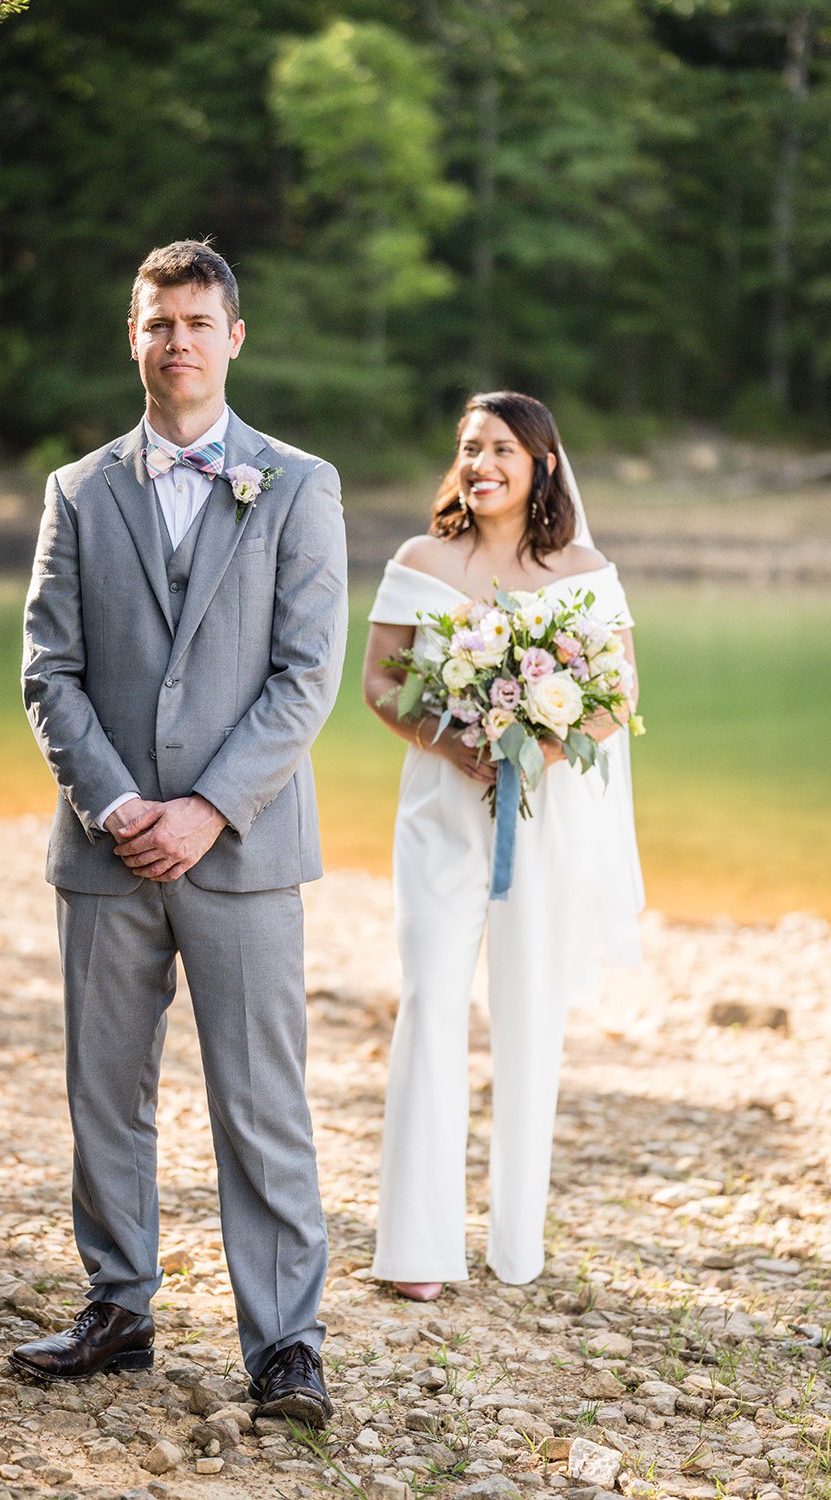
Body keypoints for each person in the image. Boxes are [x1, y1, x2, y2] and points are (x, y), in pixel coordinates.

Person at [15, 239, 347, 1425]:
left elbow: (307, 677)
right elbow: (49, 672)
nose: (179, 343)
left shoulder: (298, 484)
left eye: (199, 323)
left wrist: (207, 809)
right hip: (104, 850)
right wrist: (112, 805)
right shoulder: (77, 490)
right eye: (160, 323)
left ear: (234, 338)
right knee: (105, 1090)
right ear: (134, 335)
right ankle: (118, 1306)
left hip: (243, 850)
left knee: (260, 1099)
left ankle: (286, 1346)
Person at [362, 391, 643, 1299]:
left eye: (502, 451)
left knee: (530, 1019)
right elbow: (379, 681)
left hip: (545, 819)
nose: (481, 464)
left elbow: (617, 694)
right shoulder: (420, 559)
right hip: (442, 814)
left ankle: (515, 1243)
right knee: (431, 1000)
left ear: (542, 465)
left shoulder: (586, 572)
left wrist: (544, 742)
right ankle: (417, 1251)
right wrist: (462, 746)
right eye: (470, 448)